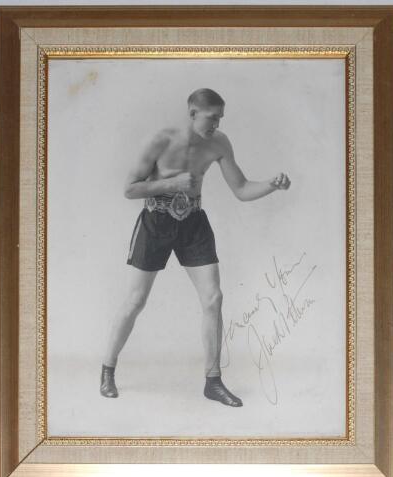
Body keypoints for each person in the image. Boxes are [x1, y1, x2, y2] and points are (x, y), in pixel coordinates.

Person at [100, 88, 291, 407]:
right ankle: (107, 370)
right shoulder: (160, 140)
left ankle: (213, 381)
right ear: (192, 113)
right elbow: (129, 189)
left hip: (193, 222)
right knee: (136, 299)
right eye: (212, 117)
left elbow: (242, 190)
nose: (217, 123)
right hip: (156, 220)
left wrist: (271, 185)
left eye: (220, 118)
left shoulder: (219, 143)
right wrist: (169, 184)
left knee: (213, 297)